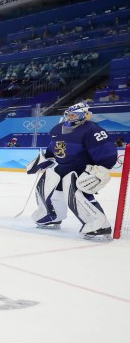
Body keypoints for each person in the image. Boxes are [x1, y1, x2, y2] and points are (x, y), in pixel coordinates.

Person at [26, 102, 118, 241]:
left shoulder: (92, 130)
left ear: (84, 115)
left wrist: (101, 170)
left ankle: (98, 224)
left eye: (74, 114)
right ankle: (52, 216)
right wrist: (44, 160)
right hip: (62, 166)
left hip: (81, 169)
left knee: (77, 194)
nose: (71, 117)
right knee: (45, 187)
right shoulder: (57, 129)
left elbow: (107, 153)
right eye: (69, 114)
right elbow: (53, 149)